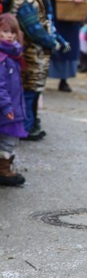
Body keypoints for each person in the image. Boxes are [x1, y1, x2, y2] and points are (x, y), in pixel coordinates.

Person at [6, 0, 70, 140]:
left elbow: (44, 25)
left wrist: (58, 40)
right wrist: (53, 43)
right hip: (30, 53)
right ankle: (25, 127)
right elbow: (34, 29)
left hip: (36, 53)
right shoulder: (24, 0)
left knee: (33, 91)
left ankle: (31, 123)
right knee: (28, 91)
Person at [0, 14, 27, 186]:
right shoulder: (3, 58)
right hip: (6, 108)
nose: (10, 36)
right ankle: (3, 169)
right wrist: (7, 107)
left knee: (7, 138)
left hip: (13, 105)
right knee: (7, 139)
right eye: (5, 31)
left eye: (13, 32)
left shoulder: (13, 54)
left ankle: (4, 166)